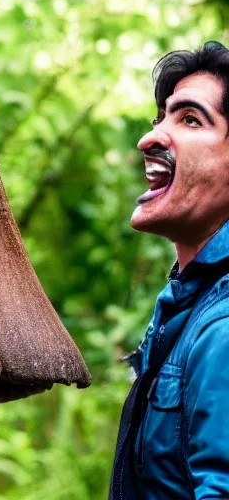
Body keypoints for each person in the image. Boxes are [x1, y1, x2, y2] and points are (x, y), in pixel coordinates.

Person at [110, 41, 229, 499]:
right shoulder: (189, 309)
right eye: (160, 117)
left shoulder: (222, 329)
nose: (150, 138)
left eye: (190, 119)